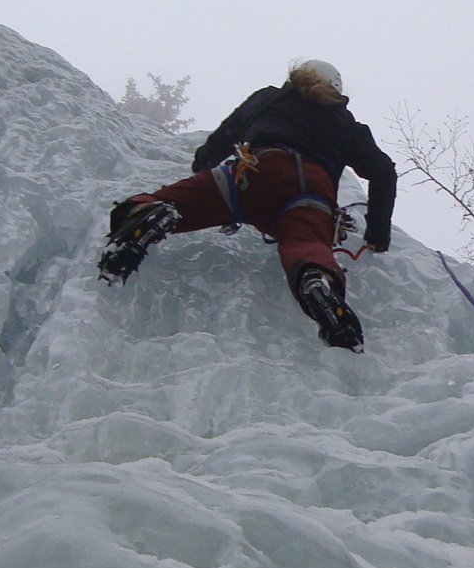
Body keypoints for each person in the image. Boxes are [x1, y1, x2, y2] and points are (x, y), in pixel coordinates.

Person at [97, 59, 396, 352]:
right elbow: (383, 172)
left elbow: (229, 132)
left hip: (254, 170)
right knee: (306, 243)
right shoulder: (347, 123)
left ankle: (148, 212)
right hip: (310, 190)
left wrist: (203, 163)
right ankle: (317, 280)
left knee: (176, 201)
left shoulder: (270, 98)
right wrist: (377, 235)